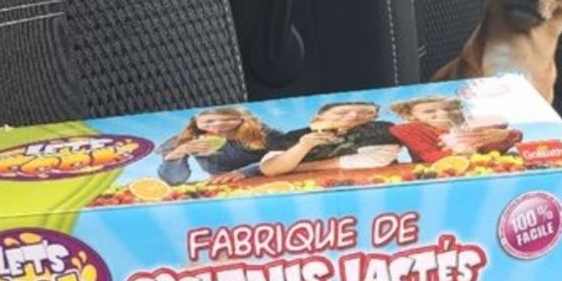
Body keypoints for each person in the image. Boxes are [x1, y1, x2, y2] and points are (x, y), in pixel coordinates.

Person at [258, 101, 400, 177]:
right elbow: (269, 169)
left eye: (367, 113)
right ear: (317, 119)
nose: (354, 116)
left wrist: (296, 168)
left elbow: (376, 159)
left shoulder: (380, 128)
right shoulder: (297, 135)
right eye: (342, 112)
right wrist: (302, 147)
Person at [156, 107, 286, 186]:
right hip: (224, 186)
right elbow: (174, 180)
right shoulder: (188, 139)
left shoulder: (265, 134)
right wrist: (177, 154)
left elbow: (290, 157)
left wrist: (245, 172)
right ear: (196, 123)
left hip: (267, 179)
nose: (218, 126)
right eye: (209, 121)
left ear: (243, 120)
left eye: (228, 120)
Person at [389, 95, 523, 164]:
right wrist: (457, 153)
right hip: (438, 172)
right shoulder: (411, 130)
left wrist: (506, 135)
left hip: (484, 167)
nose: (443, 114)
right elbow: (426, 155)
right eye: (429, 111)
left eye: (450, 109)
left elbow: (515, 135)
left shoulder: (470, 126)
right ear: (411, 116)